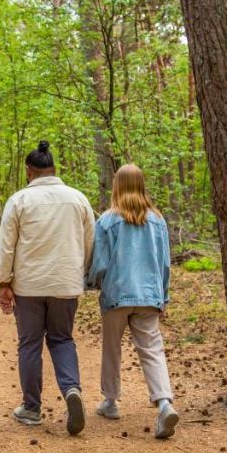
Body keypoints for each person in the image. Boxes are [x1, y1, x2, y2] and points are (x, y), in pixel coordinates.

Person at [0, 141, 96, 435]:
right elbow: (90, 242)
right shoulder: (78, 199)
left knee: (30, 344)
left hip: (29, 286)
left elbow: (6, 246)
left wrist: (3, 282)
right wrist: (81, 272)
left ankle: (31, 408)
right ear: (55, 169)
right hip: (65, 283)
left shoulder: (19, 201)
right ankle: (71, 390)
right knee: (62, 339)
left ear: (28, 171)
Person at [85, 163, 179, 439]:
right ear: (141, 185)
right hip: (149, 294)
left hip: (117, 293)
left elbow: (100, 262)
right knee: (152, 349)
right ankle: (164, 403)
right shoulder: (157, 220)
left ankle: (111, 402)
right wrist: (163, 294)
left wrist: (92, 282)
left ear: (117, 186)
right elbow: (164, 262)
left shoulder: (107, 221)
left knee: (112, 348)